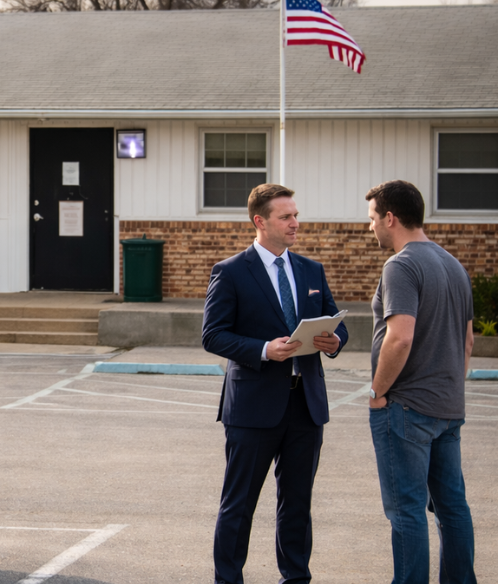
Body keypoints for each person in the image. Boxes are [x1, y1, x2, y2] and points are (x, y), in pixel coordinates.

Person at [202, 183, 348, 584]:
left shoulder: (311, 270)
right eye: (286, 216)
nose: (295, 223)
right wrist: (264, 349)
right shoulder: (231, 271)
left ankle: (296, 578)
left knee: (298, 505)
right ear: (260, 221)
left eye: (296, 215)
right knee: (239, 505)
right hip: (252, 408)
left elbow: (337, 323)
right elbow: (212, 335)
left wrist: (335, 340)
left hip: (306, 407)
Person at [364, 180, 477, 584]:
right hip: (448, 408)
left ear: (390, 218)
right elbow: (467, 342)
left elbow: (401, 336)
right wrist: (450, 390)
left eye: (373, 219)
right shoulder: (453, 264)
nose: (371, 228)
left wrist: (377, 393)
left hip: (406, 409)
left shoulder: (402, 264)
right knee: (452, 508)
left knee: (406, 511)